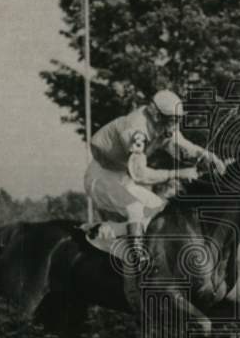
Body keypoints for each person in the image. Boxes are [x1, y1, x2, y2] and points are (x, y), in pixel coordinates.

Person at [84, 89, 227, 243]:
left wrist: (206, 155)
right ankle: (137, 260)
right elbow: (139, 174)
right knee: (135, 207)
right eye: (173, 121)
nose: (175, 127)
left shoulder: (160, 124)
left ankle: (101, 231)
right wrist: (177, 173)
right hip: (101, 176)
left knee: (158, 209)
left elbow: (182, 145)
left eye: (177, 121)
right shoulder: (136, 130)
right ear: (157, 116)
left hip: (122, 177)